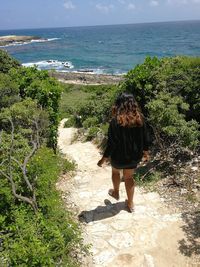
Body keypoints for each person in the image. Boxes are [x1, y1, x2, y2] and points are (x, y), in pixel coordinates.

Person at [97, 93, 150, 212]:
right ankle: (130, 204)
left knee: (116, 172)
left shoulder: (115, 121)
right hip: (134, 156)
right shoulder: (139, 119)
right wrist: (146, 153)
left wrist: (104, 158)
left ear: (119, 105)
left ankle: (115, 192)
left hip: (118, 156)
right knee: (129, 177)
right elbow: (146, 138)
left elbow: (112, 143)